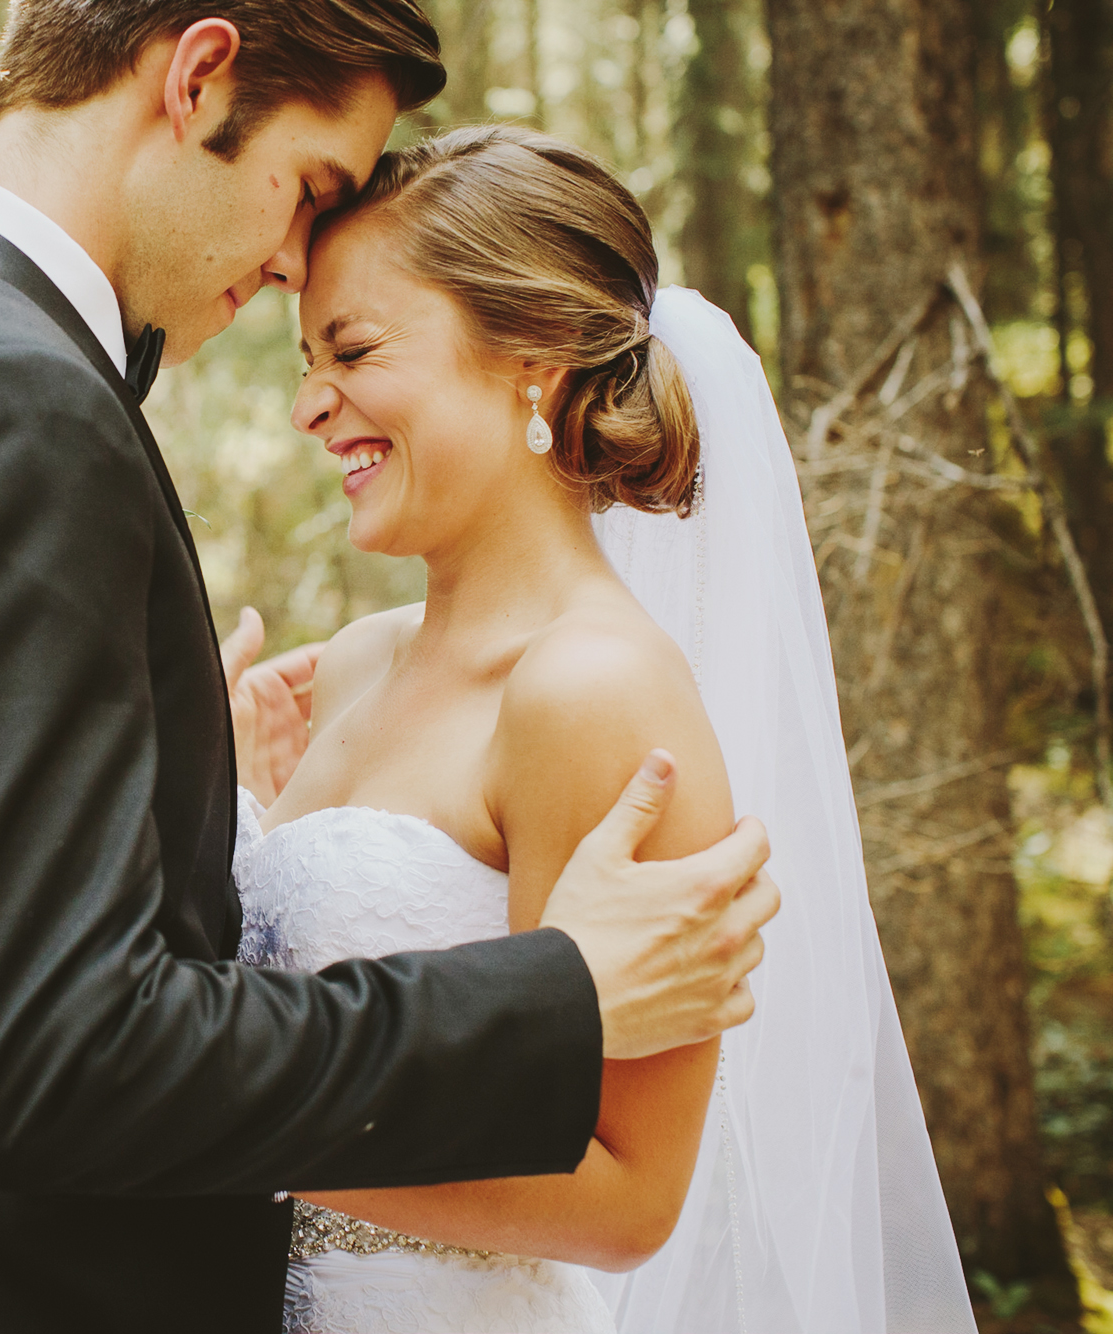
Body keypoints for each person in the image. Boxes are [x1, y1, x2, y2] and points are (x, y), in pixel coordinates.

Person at [0, 6, 777, 1332]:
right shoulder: (6, 402)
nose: (285, 263)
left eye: (355, 345)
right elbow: (53, 1063)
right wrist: (554, 1000)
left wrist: (151, 794)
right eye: (308, 190)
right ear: (201, 76)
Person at [233, 124, 974, 1333]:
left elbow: (623, 1195)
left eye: (352, 348)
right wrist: (233, 816)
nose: (311, 403)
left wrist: (191, 1129)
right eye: (305, 357)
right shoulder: (360, 660)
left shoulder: (593, 690)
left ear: (531, 356)